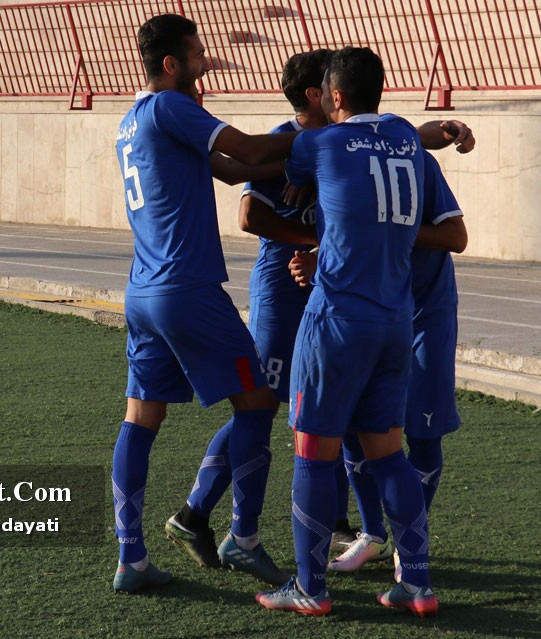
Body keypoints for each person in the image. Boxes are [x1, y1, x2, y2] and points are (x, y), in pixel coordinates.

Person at [165, 49, 475, 577]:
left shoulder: (354, 141)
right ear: (321, 94)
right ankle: (206, 515)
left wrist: (332, 240)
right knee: (262, 407)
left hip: (347, 298)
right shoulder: (300, 141)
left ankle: (338, 541)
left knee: (347, 423)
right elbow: (248, 210)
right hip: (287, 292)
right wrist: (316, 233)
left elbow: (400, 143)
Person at [111, 13, 300, 594]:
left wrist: (297, 162)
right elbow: (245, 147)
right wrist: (325, 138)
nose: (204, 63)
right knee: (257, 403)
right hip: (186, 288)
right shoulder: (171, 107)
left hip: (143, 291)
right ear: (171, 64)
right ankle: (244, 539)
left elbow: (233, 170)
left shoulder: (131, 121)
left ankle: (131, 558)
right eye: (196, 55)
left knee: (140, 418)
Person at [254, 46, 438, 617]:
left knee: (312, 451)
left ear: (334, 96)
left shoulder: (322, 143)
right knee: (388, 453)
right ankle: (417, 584)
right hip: (394, 320)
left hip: (336, 320)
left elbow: (281, 168)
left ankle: (310, 588)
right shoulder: (405, 135)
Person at [325, 149, 468, 577]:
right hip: (371, 313)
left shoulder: (417, 161)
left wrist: (390, 228)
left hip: (425, 315)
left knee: (423, 431)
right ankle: (373, 533)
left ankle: (409, 544)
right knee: (353, 423)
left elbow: (456, 236)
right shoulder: (338, 157)